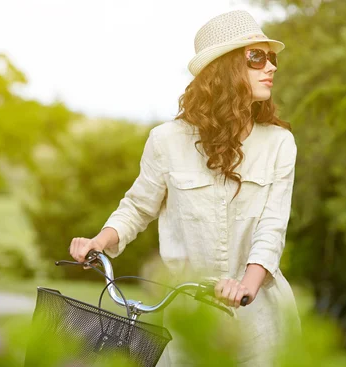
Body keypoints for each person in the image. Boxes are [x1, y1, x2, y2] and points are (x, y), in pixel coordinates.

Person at [68, 9, 300, 366]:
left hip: (259, 322)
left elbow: (272, 228)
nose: (270, 67)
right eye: (256, 57)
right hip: (189, 321)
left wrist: (244, 288)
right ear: (224, 69)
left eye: (272, 58)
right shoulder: (166, 141)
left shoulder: (279, 143)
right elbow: (137, 207)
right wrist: (99, 242)